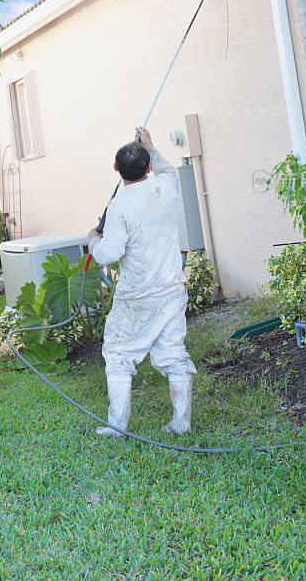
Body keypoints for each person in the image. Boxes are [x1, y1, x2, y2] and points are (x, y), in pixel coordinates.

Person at [87, 127, 196, 438]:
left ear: (115, 168)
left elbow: (109, 255)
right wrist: (151, 146)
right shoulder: (166, 186)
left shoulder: (119, 205)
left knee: (119, 354)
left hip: (136, 295)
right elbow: (166, 169)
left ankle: (117, 427)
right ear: (148, 168)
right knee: (173, 352)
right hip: (172, 288)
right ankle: (181, 423)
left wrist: (93, 239)